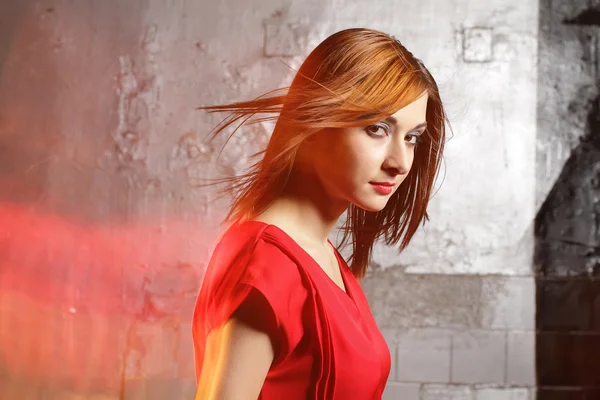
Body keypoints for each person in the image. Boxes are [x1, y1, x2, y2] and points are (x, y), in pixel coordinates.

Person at [192, 27, 448, 399]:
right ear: (315, 125)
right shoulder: (266, 265)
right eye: (376, 129)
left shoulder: (320, 254)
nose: (401, 162)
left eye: (412, 137)